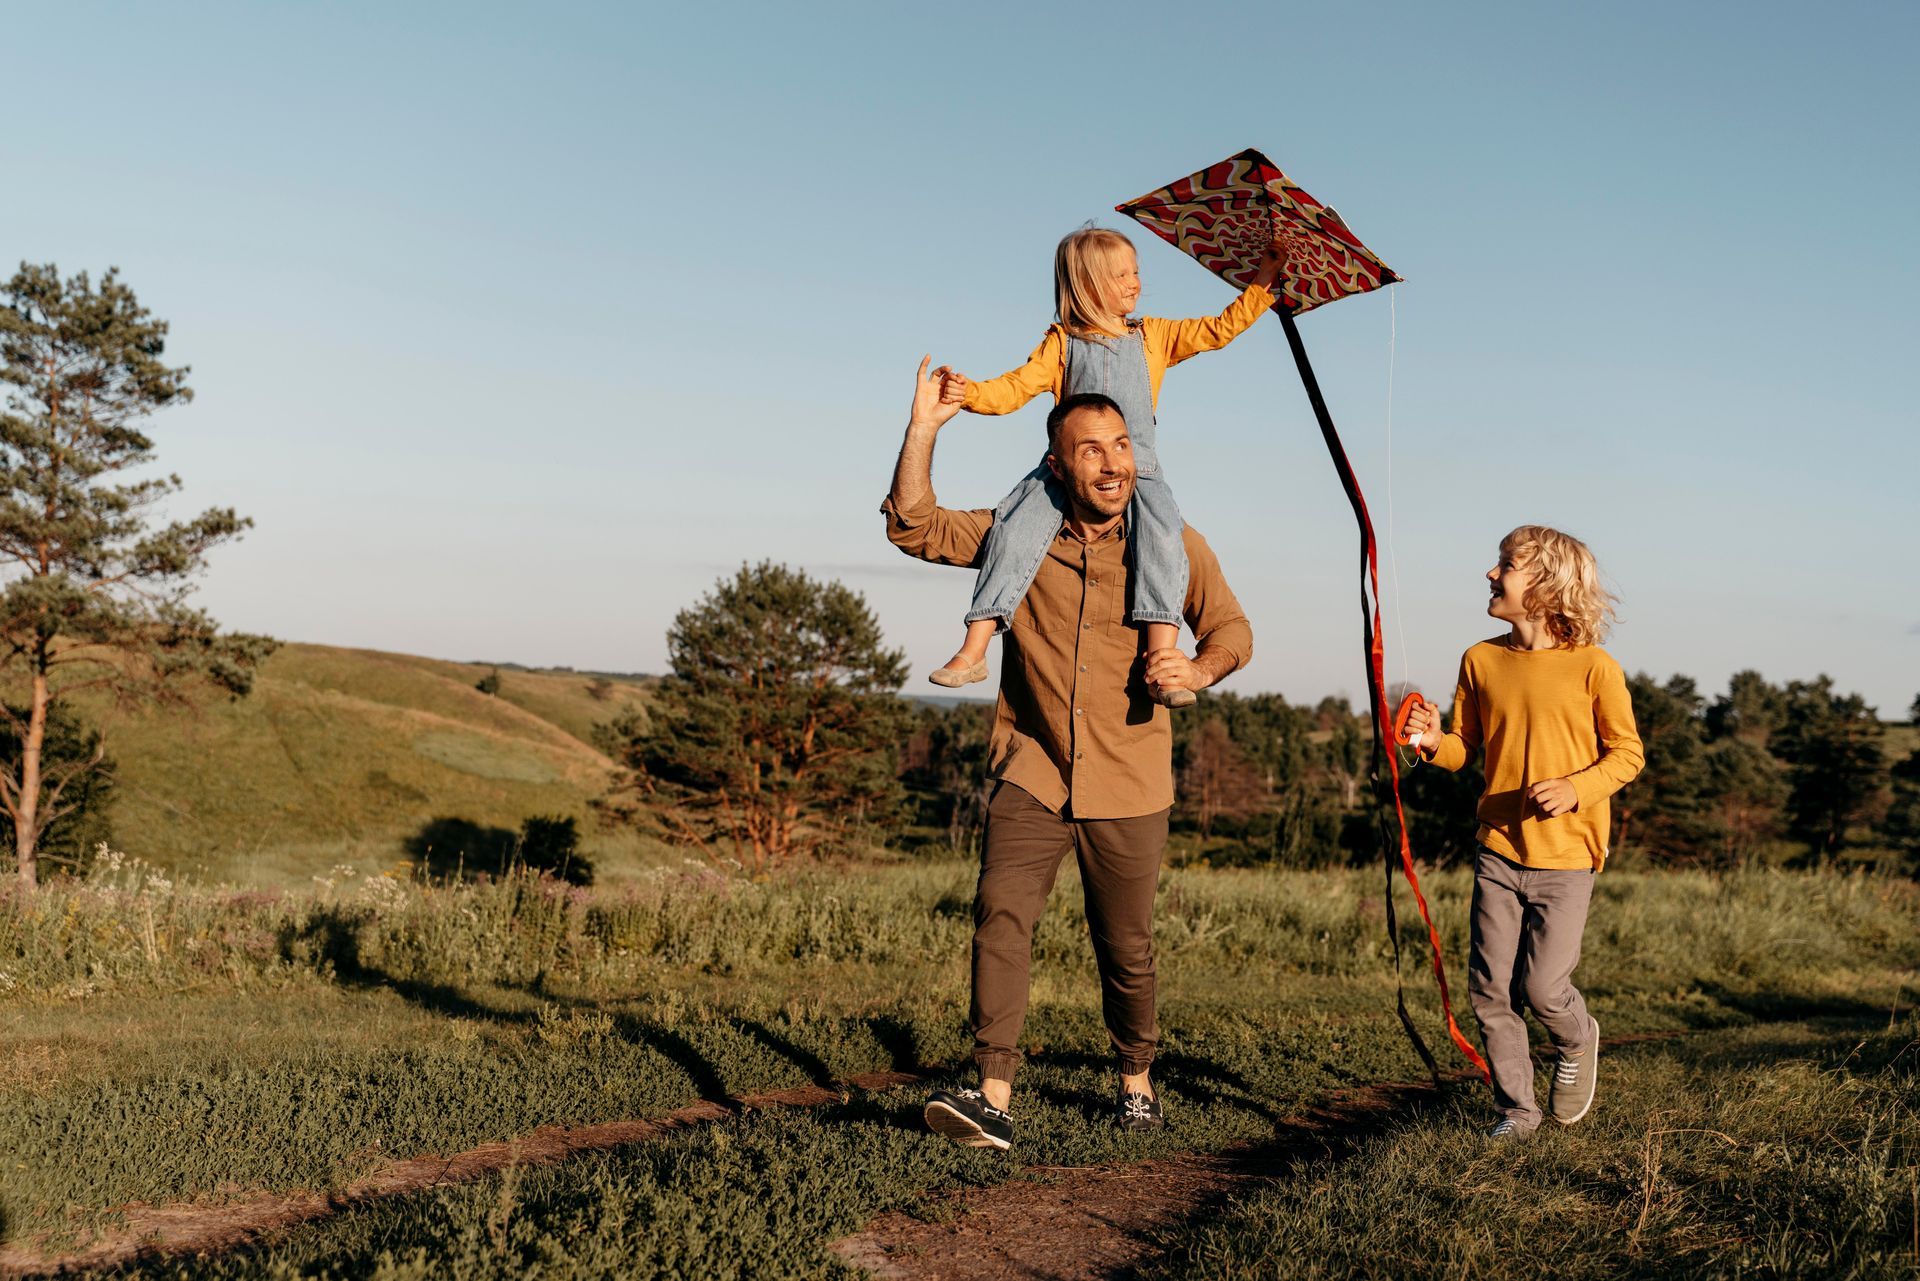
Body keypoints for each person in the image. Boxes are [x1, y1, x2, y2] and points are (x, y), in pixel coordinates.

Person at [883, 357, 1253, 1150]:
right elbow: (913, 524)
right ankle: (991, 1094)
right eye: (1093, 449)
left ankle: (1135, 1078)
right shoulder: (1017, 536)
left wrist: (1199, 666)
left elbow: (1231, 629)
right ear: (1056, 463)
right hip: (1035, 766)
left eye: (1122, 445)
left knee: (1125, 946)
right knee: (1000, 915)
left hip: (1131, 778)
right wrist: (923, 428)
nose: (1113, 461)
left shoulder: (1171, 542)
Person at [926, 225, 1286, 708]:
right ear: (1089, 286)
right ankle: (974, 649)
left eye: (1135, 271)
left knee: (1163, 546)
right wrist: (968, 393)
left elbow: (1218, 329)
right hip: (1069, 474)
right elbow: (1015, 387)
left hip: (1140, 471)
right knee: (1014, 527)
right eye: (1122, 275)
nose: (1135, 282)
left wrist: (1262, 283)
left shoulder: (1155, 336)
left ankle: (1163, 667)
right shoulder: (1061, 343)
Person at [1403, 526, 1645, 1139]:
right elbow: (1464, 749)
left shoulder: (1595, 667)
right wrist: (1432, 742)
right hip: (1498, 851)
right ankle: (1517, 1113)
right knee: (1489, 989)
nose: (1491, 574)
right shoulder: (1480, 660)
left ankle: (1576, 1036)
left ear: (1545, 586)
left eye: (1506, 566)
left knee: (1541, 987)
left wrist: (1576, 788)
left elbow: (1628, 754)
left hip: (1568, 857)